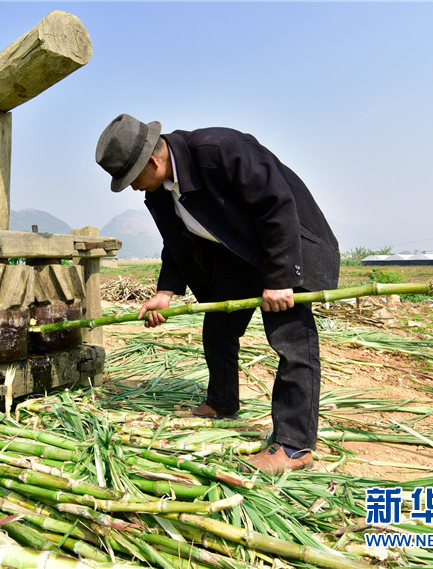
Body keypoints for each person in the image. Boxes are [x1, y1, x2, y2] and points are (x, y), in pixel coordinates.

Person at [95, 114, 339, 474]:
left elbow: (277, 206)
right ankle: (222, 402)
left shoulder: (220, 150)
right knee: (219, 327)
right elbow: (175, 242)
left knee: (292, 341)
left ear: (153, 161)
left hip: (288, 248)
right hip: (241, 256)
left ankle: (293, 445)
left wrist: (280, 277)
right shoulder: (160, 192)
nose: (133, 188)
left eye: (133, 179)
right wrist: (165, 292)